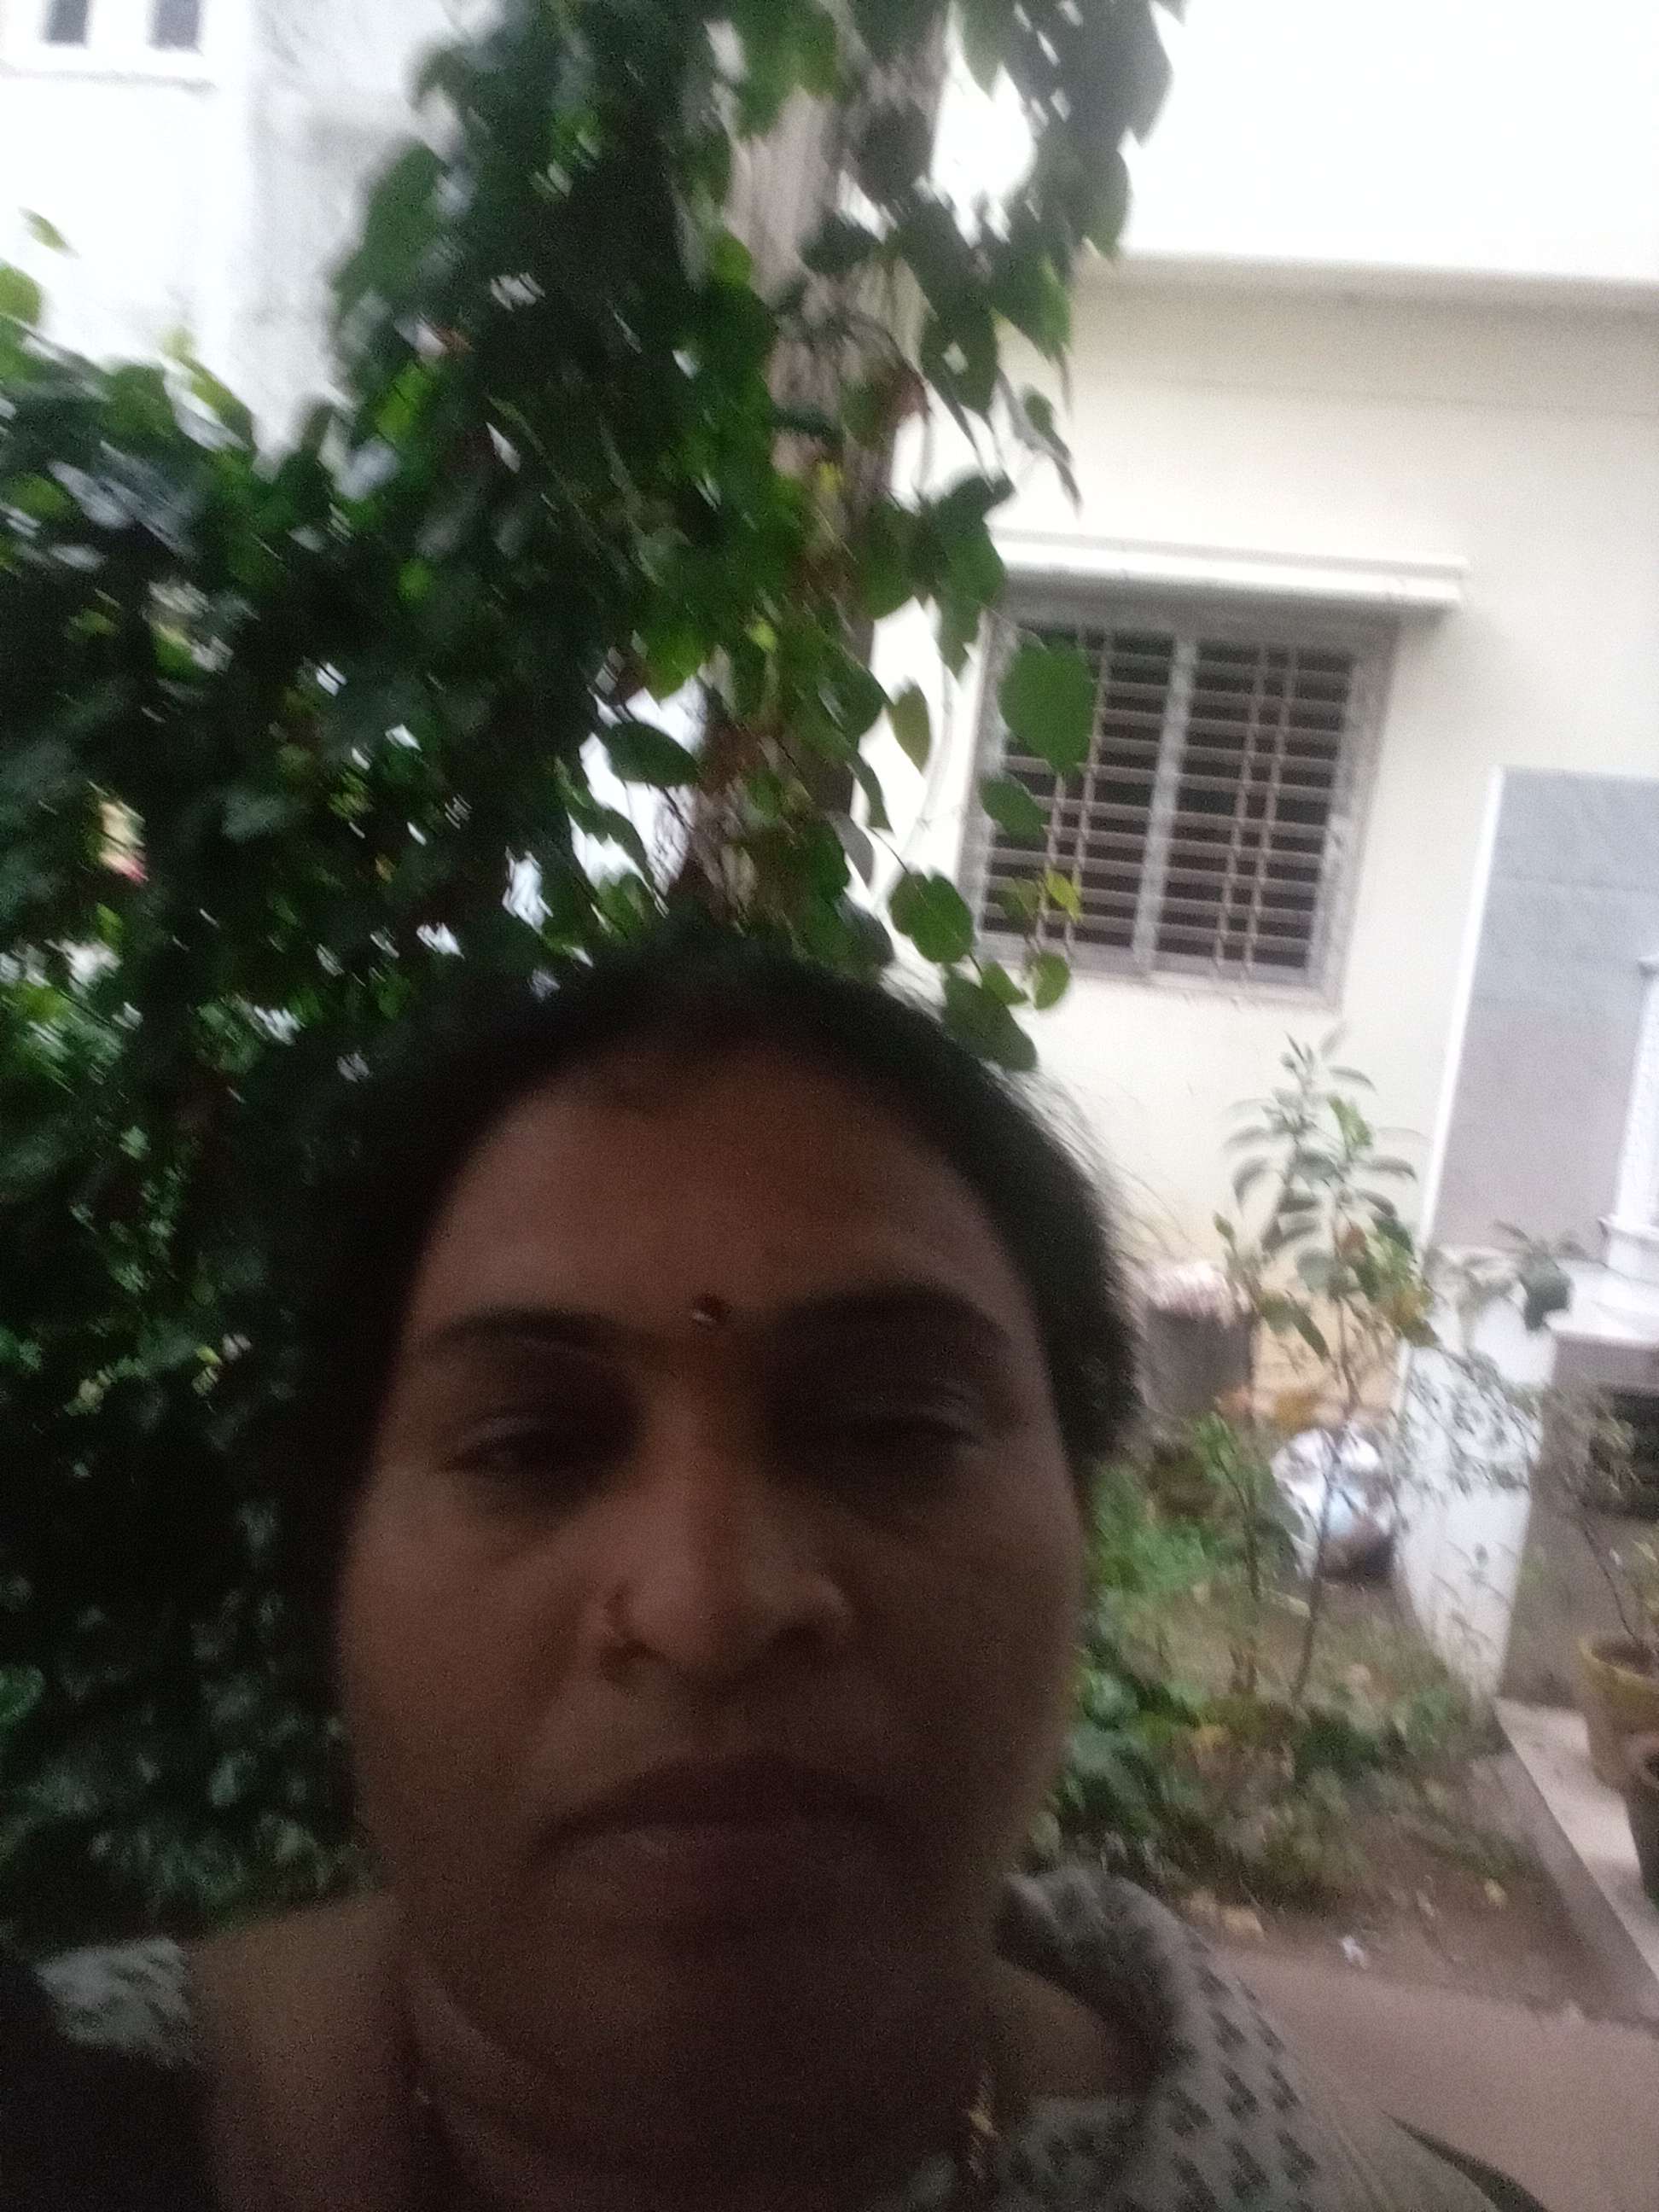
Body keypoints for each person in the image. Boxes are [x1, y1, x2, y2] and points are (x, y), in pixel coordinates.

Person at [1, 932, 1528, 2211]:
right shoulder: (66, 2111)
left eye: (893, 1429)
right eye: (532, 1445)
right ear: (337, 1558)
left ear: (1082, 1513)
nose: (708, 1607)